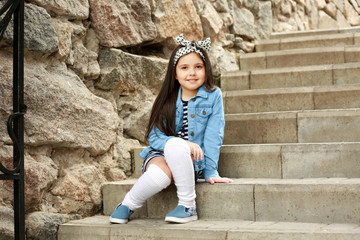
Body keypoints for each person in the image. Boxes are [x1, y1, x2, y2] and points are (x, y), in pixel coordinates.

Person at [110, 33, 233, 224]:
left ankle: (187, 205)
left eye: (198, 67)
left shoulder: (213, 95)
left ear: (207, 70)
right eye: (184, 68)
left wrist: (210, 171)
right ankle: (128, 205)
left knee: (176, 147)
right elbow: (155, 137)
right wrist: (178, 142)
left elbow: (213, 135)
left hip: (192, 161)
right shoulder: (166, 99)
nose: (192, 73)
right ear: (175, 74)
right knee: (166, 159)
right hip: (160, 155)